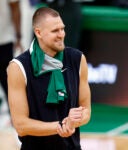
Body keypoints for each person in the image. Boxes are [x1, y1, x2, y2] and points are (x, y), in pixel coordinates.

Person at [7, 7, 91, 150]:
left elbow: (86, 110)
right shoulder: (19, 67)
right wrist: (59, 126)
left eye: (62, 29)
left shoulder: (77, 59)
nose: (61, 35)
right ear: (38, 32)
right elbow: (21, 125)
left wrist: (74, 120)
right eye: (55, 31)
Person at [0, 0, 22, 105]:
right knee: (9, 84)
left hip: (4, 39)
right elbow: (15, 8)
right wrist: (18, 35)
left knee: (9, 84)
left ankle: (16, 116)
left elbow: (15, 7)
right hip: (4, 39)